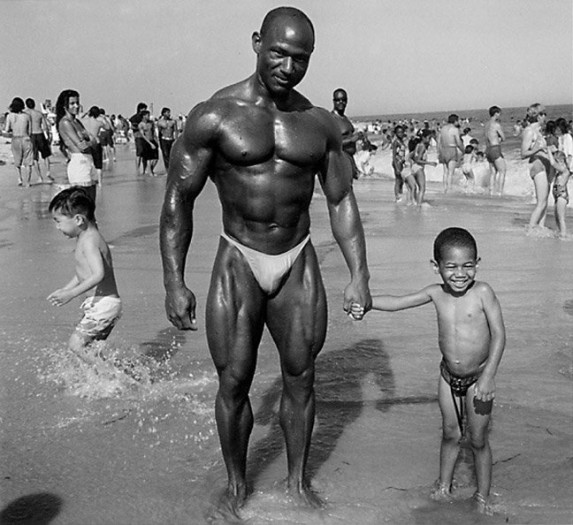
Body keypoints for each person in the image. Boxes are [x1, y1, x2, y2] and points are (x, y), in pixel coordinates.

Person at [159, 7, 371, 518]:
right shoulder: (214, 115)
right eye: (278, 52)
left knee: (302, 377)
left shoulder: (319, 124)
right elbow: (176, 200)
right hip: (238, 256)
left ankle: (298, 484)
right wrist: (174, 281)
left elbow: (341, 200)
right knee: (234, 380)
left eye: (301, 58)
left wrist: (360, 275)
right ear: (257, 42)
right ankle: (237, 487)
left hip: (297, 258)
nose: (288, 66)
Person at [352, 227, 505, 516]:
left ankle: (482, 496)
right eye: (451, 267)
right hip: (448, 378)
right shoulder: (435, 293)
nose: (460, 274)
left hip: (478, 381)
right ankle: (443, 487)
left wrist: (488, 377)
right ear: (436, 267)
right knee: (449, 433)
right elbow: (398, 302)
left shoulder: (483, 292)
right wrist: (366, 304)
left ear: (477, 264)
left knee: (478, 440)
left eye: (468, 266)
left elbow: (499, 335)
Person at [47, 187, 122, 364]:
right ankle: (118, 378)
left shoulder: (89, 241)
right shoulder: (86, 237)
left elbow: (98, 274)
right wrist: (65, 289)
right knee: (90, 350)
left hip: (103, 305)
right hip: (103, 305)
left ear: (79, 219)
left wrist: (71, 295)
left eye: (58, 221)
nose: (57, 227)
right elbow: (82, 273)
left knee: (76, 345)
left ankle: (112, 377)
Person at [55, 90, 98, 202]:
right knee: (83, 204)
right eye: (72, 103)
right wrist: (90, 142)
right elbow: (83, 146)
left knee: (91, 204)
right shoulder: (65, 122)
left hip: (89, 161)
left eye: (77, 103)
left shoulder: (77, 122)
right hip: (79, 162)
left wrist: (90, 141)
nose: (76, 106)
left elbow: (92, 140)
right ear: (65, 106)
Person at [521, 103, 550, 231]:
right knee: (541, 202)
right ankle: (531, 228)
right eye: (543, 114)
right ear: (538, 116)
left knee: (545, 201)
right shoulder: (529, 131)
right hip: (537, 166)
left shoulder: (540, 130)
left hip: (545, 165)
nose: (545, 117)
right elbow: (523, 153)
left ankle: (541, 227)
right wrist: (537, 149)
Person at [331, 88, 362, 179]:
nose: (341, 102)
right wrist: (351, 139)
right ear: (333, 101)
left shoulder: (345, 119)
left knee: (348, 190)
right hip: (338, 163)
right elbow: (331, 144)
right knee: (346, 192)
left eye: (343, 100)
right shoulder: (331, 119)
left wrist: (354, 166)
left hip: (348, 161)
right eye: (338, 100)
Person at [3, 97, 33, 187]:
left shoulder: (10, 116)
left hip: (16, 139)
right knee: (28, 162)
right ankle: (27, 182)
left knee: (17, 161)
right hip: (26, 138)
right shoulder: (27, 116)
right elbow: (30, 131)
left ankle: (19, 178)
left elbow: (7, 129)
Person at [25, 97, 54, 183]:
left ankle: (40, 177)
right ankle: (48, 171)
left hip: (32, 135)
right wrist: (48, 137)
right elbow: (45, 126)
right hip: (40, 134)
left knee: (35, 158)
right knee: (46, 155)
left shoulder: (26, 114)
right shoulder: (39, 113)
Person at [407, 129, 437, 205]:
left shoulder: (417, 145)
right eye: (429, 138)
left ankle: (414, 202)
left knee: (416, 188)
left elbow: (412, 156)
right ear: (423, 138)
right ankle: (419, 205)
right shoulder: (423, 146)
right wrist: (430, 163)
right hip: (419, 168)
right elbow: (418, 160)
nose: (430, 140)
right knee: (422, 189)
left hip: (413, 167)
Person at [547, 149, 571, 238]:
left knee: (561, 218)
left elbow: (553, 163)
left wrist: (548, 149)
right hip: (557, 195)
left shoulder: (565, 169)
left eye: (556, 161)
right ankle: (559, 233)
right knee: (557, 217)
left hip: (562, 195)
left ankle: (563, 235)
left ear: (560, 161)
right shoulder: (559, 172)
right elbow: (550, 178)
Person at [438, 114, 464, 193]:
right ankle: (449, 188)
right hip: (452, 149)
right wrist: (463, 150)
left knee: (445, 172)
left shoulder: (443, 128)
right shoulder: (455, 129)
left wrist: (439, 151)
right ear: (455, 121)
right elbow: (458, 142)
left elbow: (439, 141)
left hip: (443, 149)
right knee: (450, 171)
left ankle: (444, 188)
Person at [484, 106, 507, 196]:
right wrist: (500, 139)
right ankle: (499, 192)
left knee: (493, 172)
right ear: (496, 113)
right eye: (499, 113)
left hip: (488, 149)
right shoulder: (496, 124)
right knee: (502, 170)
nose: (499, 115)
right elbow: (503, 137)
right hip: (495, 148)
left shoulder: (486, 124)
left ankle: (491, 191)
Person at [81, 106, 105, 187]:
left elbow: (78, 120)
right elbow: (108, 127)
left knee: (88, 162)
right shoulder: (98, 123)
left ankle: (89, 180)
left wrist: (85, 114)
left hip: (87, 143)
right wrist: (103, 117)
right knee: (98, 165)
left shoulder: (83, 121)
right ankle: (100, 183)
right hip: (96, 142)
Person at [137, 110, 158, 175]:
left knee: (156, 158)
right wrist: (150, 143)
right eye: (147, 115)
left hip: (153, 140)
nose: (148, 116)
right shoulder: (141, 124)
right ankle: (150, 172)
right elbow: (143, 135)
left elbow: (154, 132)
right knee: (149, 158)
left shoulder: (151, 123)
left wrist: (156, 141)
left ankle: (151, 169)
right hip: (146, 141)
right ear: (143, 116)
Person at [129, 102, 148, 172]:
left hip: (146, 137)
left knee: (145, 153)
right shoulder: (135, 117)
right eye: (144, 109)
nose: (145, 110)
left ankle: (145, 169)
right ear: (140, 109)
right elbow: (132, 126)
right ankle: (138, 168)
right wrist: (139, 127)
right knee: (139, 152)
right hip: (138, 136)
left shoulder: (146, 117)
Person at [391, 125, 407, 201]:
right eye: (398, 132)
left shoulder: (401, 141)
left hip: (401, 162)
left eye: (401, 132)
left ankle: (400, 193)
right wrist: (396, 167)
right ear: (396, 133)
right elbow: (394, 155)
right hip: (397, 162)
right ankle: (397, 196)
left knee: (401, 180)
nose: (400, 133)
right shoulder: (396, 142)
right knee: (398, 180)